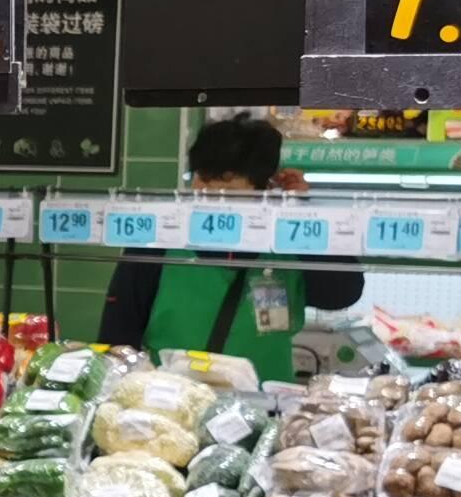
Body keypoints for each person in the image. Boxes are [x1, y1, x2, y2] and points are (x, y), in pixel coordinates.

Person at [94, 112, 362, 379]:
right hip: (175, 404)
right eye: (202, 177)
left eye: (224, 181)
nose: (206, 191)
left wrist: (301, 214)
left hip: (265, 406)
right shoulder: (159, 240)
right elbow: (119, 334)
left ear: (264, 188)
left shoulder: (286, 241)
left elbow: (340, 295)